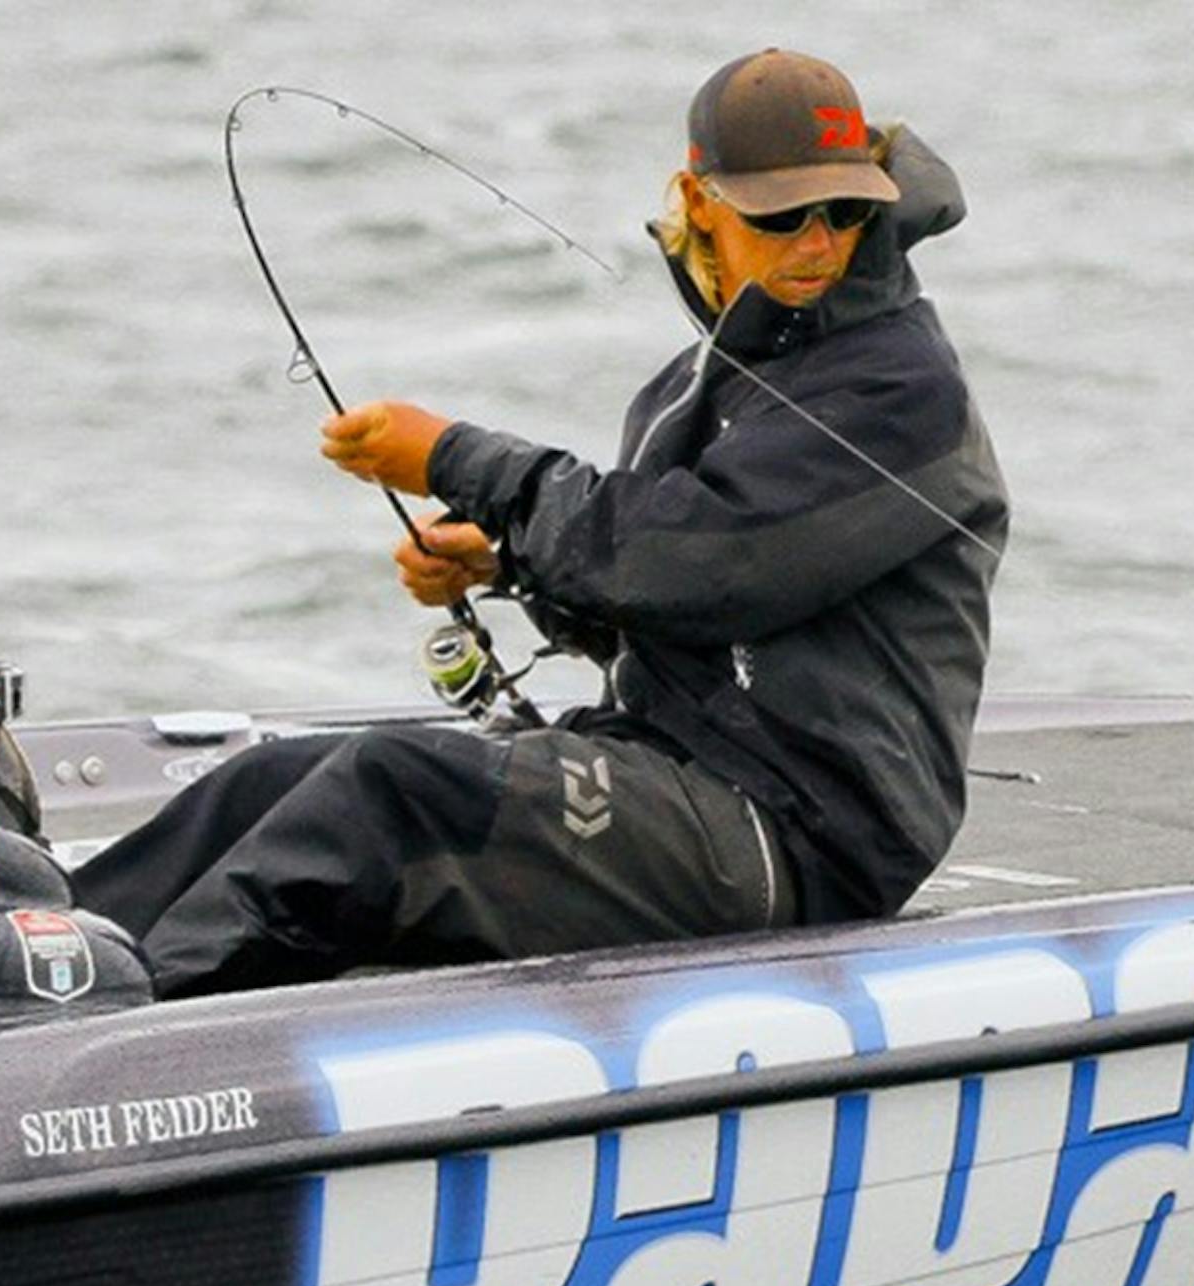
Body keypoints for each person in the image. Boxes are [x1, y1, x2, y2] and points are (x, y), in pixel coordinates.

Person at [74, 49, 1007, 997]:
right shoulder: (699, 389)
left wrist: (457, 463)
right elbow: (672, 608)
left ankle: (100, 1030)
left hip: (802, 840)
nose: (817, 242)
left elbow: (698, 561)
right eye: (783, 215)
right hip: (675, 768)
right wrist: (504, 563)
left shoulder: (901, 386)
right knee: (266, 783)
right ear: (701, 201)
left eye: (846, 212)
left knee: (394, 792)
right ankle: (43, 955)